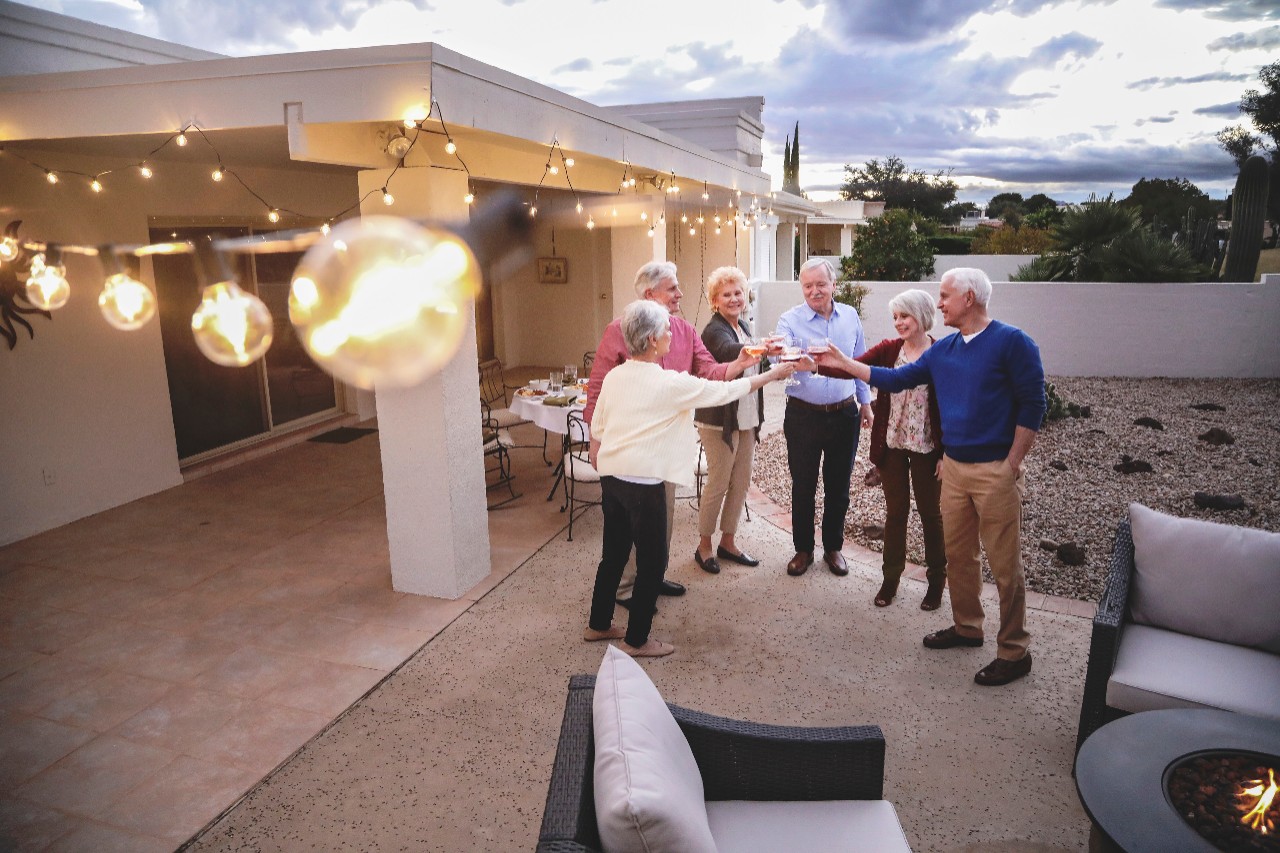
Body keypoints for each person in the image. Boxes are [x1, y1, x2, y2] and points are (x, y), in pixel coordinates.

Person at [813, 268, 1045, 686]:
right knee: (960, 555)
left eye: (945, 296)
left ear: (969, 298)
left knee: (1005, 565)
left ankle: (1014, 650)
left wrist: (1012, 463)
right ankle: (967, 627)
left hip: (995, 470)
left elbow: (1033, 404)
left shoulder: (1013, 342)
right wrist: (845, 364)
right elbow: (897, 378)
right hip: (954, 468)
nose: (939, 304)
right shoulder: (945, 350)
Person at [583, 300, 800, 657]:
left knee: (614, 554)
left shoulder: (615, 376)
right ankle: (637, 640)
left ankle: (599, 623)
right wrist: (773, 374)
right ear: (653, 339)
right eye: (667, 330)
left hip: (613, 479)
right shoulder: (669, 382)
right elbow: (726, 391)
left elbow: (600, 426)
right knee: (652, 561)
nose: (672, 334)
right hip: (644, 482)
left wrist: (747, 362)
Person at [583, 261, 757, 606]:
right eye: (673, 288)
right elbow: (599, 386)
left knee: (663, 516)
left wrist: (738, 364)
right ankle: (628, 589)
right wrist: (595, 437)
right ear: (651, 294)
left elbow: (707, 369)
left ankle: (654, 576)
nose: (680, 293)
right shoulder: (619, 330)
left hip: (667, 444)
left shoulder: (683, 330)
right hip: (630, 445)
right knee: (632, 526)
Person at [833, 289, 948, 609]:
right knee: (896, 514)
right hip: (893, 446)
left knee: (930, 515)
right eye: (895, 317)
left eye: (905, 316)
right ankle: (890, 580)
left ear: (922, 316)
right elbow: (853, 367)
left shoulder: (941, 353)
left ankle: (937, 581)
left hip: (927, 448)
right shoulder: (888, 351)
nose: (898, 323)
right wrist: (816, 365)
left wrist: (946, 453)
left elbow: (953, 407)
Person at [775, 258, 873, 578]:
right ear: (801, 287)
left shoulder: (851, 316)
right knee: (803, 485)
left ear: (833, 285)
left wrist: (865, 403)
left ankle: (833, 547)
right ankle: (803, 550)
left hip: (844, 413)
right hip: (803, 415)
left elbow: (858, 361)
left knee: (838, 486)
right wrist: (792, 359)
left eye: (820, 284)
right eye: (807, 285)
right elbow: (781, 353)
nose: (814, 291)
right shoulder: (789, 320)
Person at [692, 267, 767, 574]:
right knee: (718, 482)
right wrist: (760, 348)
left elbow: (753, 364)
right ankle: (704, 546)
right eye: (727, 294)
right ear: (715, 301)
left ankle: (728, 541)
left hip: (746, 417)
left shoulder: (745, 327)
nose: (735, 299)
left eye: (738, 292)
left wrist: (770, 353)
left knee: (741, 482)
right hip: (717, 421)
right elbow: (726, 353)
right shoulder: (714, 330)